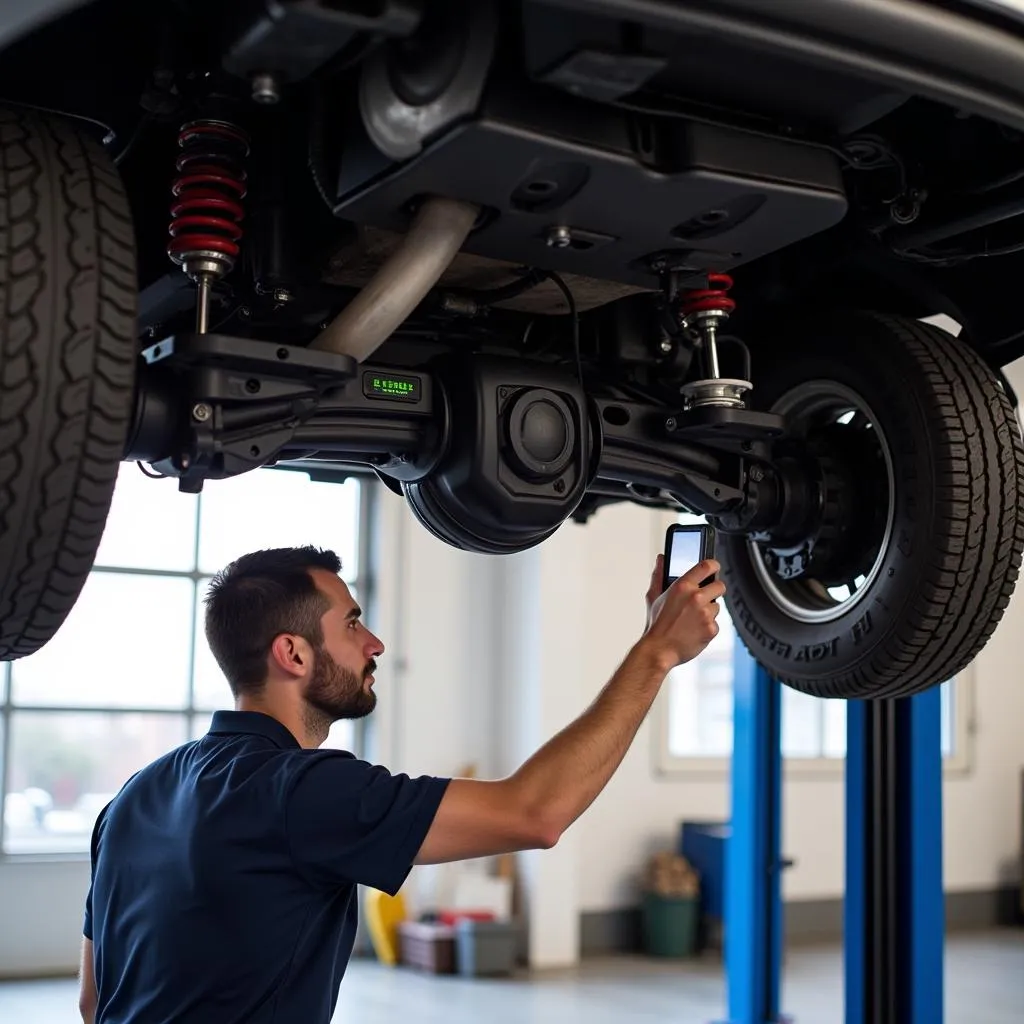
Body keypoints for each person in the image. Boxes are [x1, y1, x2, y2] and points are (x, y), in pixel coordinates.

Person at [78, 544, 724, 1024]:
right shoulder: (295, 790)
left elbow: (94, 1001)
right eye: (354, 623)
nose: (376, 643)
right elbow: (535, 813)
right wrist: (656, 653)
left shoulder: (134, 795)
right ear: (294, 654)